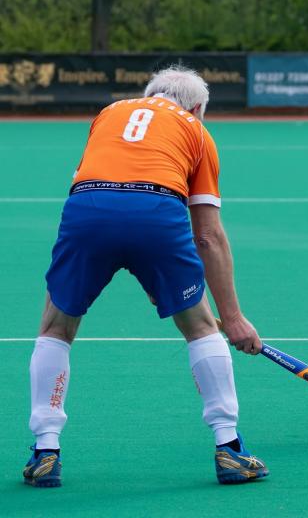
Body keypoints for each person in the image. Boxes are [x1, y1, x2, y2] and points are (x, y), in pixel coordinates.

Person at [23, 66, 269, 487]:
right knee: (200, 327)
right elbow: (207, 236)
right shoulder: (195, 128)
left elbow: (98, 184)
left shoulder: (110, 113)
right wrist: (231, 318)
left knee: (55, 328)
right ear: (196, 108)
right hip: (156, 210)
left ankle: (45, 451)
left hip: (88, 206)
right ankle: (229, 450)